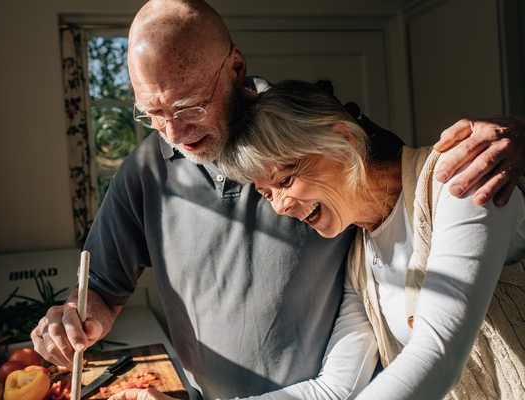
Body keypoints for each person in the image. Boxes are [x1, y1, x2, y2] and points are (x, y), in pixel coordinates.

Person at [31, 1, 525, 399]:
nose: (173, 132)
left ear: (236, 67)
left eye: (186, 105)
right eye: (152, 113)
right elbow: (99, 285)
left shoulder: (337, 145)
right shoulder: (143, 172)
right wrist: (75, 314)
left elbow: (402, 186)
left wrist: (511, 139)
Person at [217, 79, 525, 399]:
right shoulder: (360, 259)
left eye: (286, 179)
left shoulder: (459, 181)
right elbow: (333, 387)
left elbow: (437, 354)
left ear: (343, 139)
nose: (280, 206)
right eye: (268, 194)